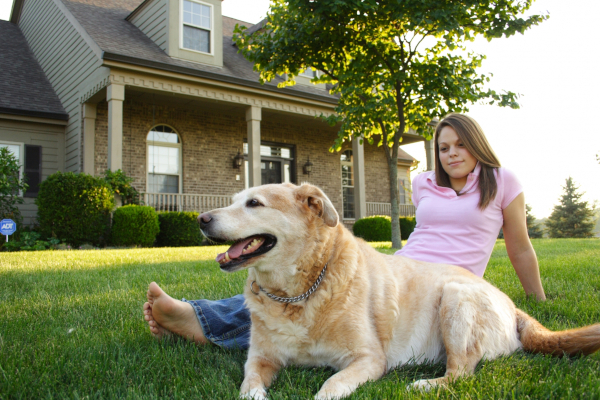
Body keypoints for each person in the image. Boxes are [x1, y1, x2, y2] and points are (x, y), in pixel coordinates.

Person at [143, 113, 546, 349]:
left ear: (477, 144)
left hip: (445, 285)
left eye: (460, 144)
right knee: (304, 290)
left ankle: (200, 322)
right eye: (443, 147)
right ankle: (200, 317)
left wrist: (536, 298)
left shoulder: (503, 181)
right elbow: (426, 235)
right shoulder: (425, 184)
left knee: (319, 304)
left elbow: (521, 248)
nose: (451, 153)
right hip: (398, 271)